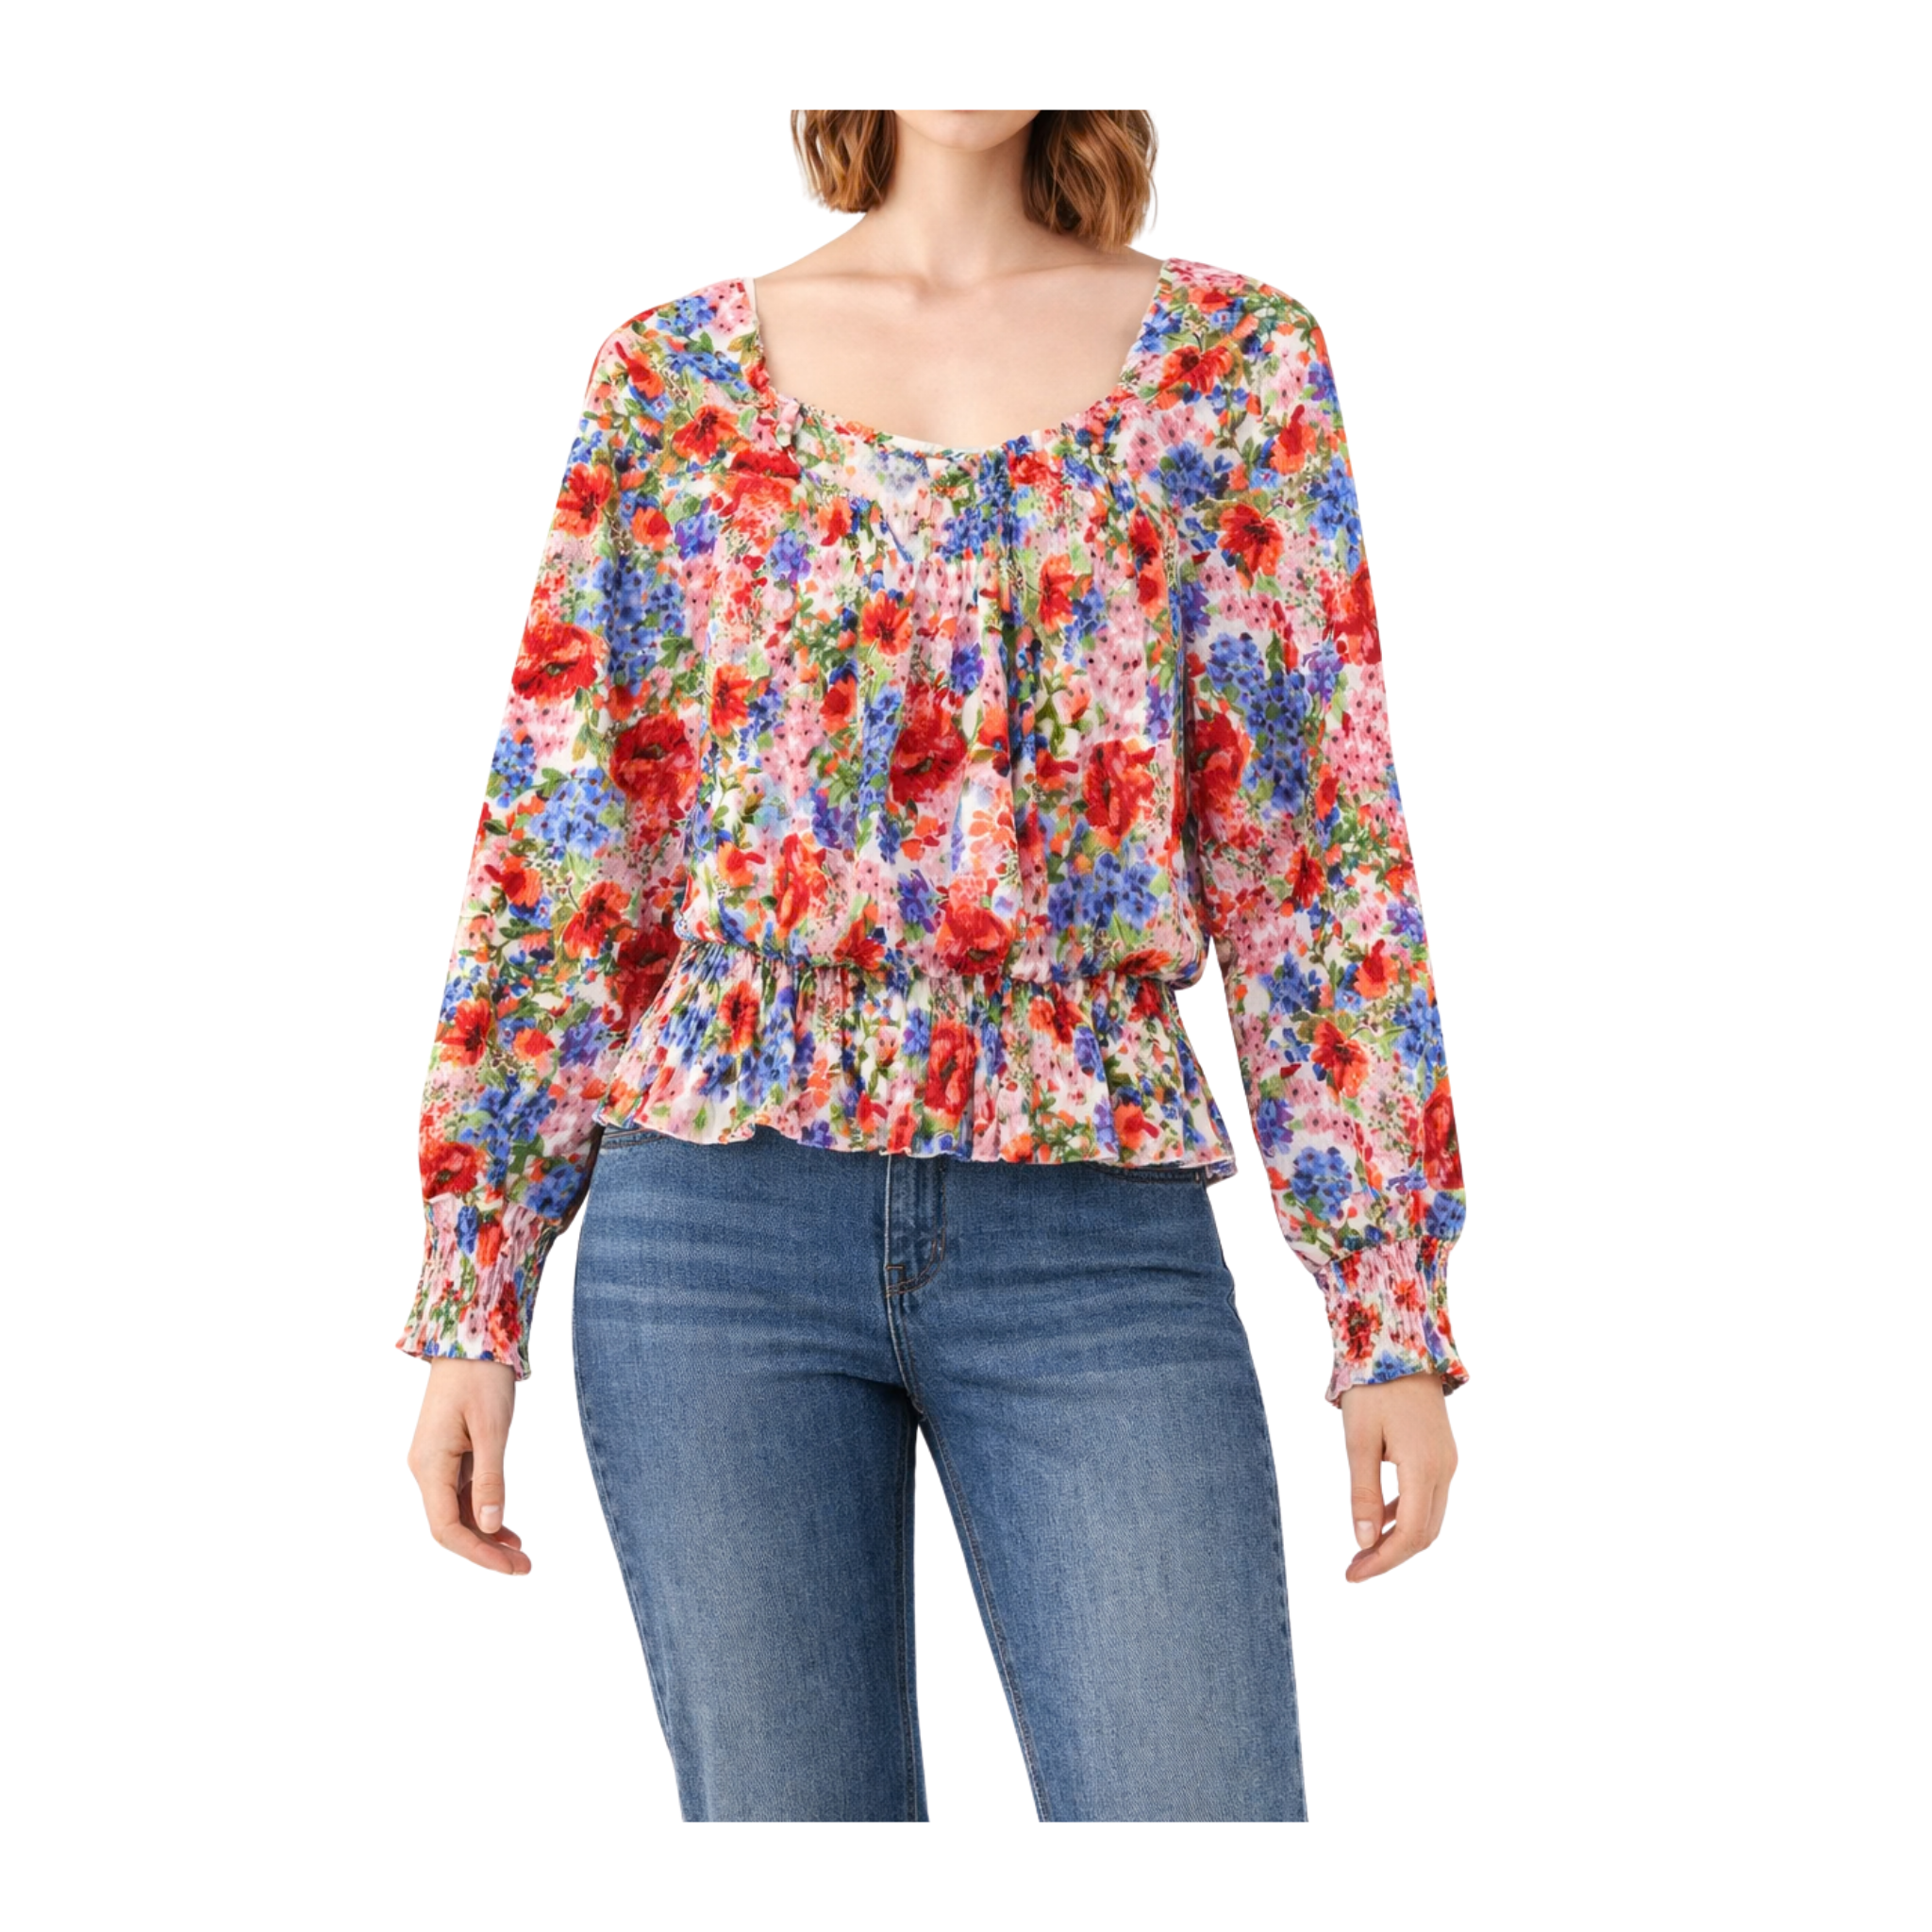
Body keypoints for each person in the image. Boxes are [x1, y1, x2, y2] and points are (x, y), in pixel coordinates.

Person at [400, 108, 1469, 1823]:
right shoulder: (672, 382)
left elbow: (1311, 853)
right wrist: (477, 1288)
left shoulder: (1238, 368)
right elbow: (571, 847)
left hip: (1093, 1233)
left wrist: (1386, 1308)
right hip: (714, 1234)